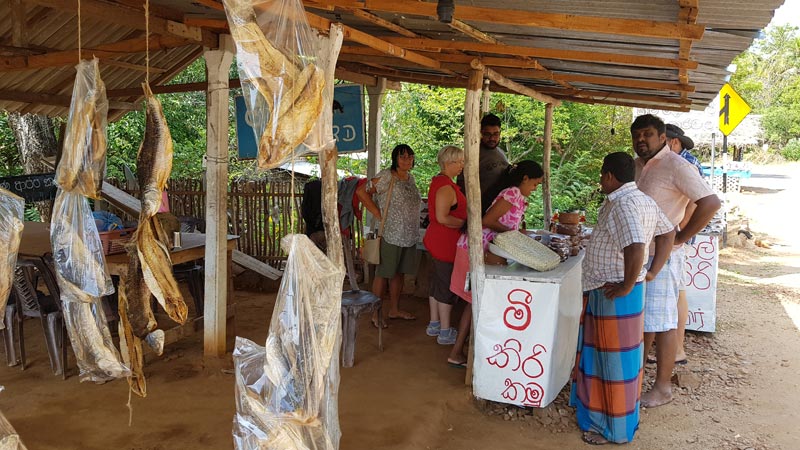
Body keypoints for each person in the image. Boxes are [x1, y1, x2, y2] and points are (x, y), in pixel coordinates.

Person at [570, 152, 675, 445]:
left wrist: (628, 284)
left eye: (602, 176)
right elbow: (668, 233)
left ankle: (611, 428)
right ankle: (608, 416)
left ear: (609, 176)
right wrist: (650, 272)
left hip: (614, 291)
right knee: (612, 360)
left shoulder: (625, 204)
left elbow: (636, 246)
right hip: (615, 288)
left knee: (611, 363)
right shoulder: (641, 199)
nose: (600, 181)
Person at [631, 114, 721, 408]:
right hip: (639, 254)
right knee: (643, 322)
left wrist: (681, 237)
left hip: (664, 257)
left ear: (662, 138)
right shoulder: (638, 165)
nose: (641, 140)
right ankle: (634, 379)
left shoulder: (677, 166)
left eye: (647, 134)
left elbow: (710, 202)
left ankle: (663, 387)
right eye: (636, 136)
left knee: (665, 322)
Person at [447, 160, 544, 367]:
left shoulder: (513, 194)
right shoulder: (513, 193)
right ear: (525, 179)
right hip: (473, 249)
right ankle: (458, 352)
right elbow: (488, 221)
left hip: (477, 249)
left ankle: (463, 351)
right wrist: (513, 235)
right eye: (535, 184)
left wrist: (517, 233)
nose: (534, 189)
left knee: (473, 302)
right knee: (474, 302)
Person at [356, 144, 422, 327]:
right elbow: (361, 192)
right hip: (390, 234)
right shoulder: (386, 176)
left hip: (408, 235)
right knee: (383, 274)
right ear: (395, 159)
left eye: (410, 157)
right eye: (402, 157)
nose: (407, 160)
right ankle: (375, 314)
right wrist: (377, 213)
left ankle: (394, 309)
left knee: (398, 274)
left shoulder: (410, 178)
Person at [666, 123, 704, 365]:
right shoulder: (684, 160)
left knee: (677, 292)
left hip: (677, 239)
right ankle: (675, 348)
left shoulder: (685, 164)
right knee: (677, 291)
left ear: (674, 142)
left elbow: (696, 202)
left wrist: (680, 233)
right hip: (676, 237)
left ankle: (678, 349)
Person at [422, 146, 467, 345]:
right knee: (446, 286)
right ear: (448, 163)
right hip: (445, 242)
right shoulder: (446, 187)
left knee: (437, 284)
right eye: (459, 162)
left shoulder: (441, 182)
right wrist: (465, 224)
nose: (462, 166)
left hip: (438, 241)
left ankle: (435, 323)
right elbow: (442, 217)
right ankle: (445, 330)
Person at [456, 113, 510, 213]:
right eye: (487, 134)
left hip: (501, 210)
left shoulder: (501, 152)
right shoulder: (472, 154)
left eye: (496, 134)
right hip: (480, 211)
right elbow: (461, 185)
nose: (492, 138)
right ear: (481, 133)